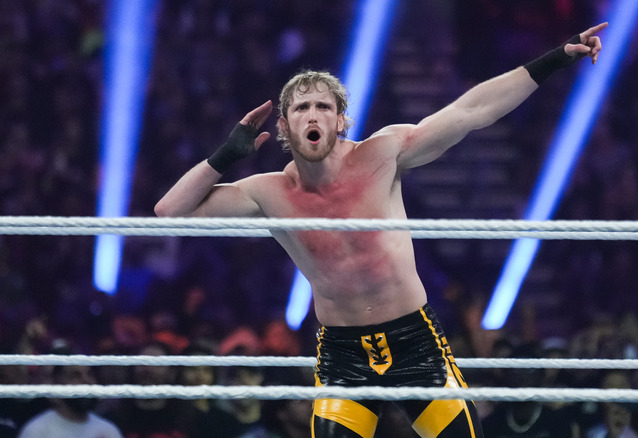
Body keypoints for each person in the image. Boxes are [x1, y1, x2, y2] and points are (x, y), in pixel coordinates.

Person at [156, 22, 608, 438]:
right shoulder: (267, 192)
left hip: (414, 341)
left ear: (340, 120)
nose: (312, 116)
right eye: (301, 108)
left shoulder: (381, 154)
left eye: (323, 107)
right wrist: (226, 156)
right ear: (284, 126)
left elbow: (472, 110)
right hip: (343, 353)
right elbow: (169, 214)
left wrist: (554, 58)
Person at [18, 364, 122, 438]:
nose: (86, 381)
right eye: (76, 376)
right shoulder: (37, 431)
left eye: (90, 374)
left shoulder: (109, 431)